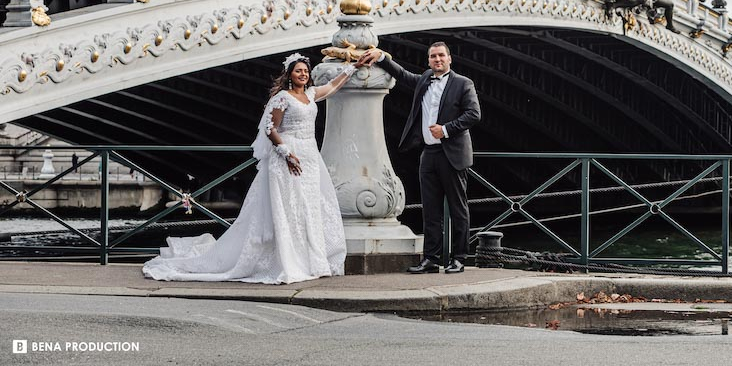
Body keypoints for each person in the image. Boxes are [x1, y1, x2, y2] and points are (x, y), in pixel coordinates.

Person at [143, 53, 353, 284]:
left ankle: (309, 260)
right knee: (286, 208)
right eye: (298, 71)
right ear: (289, 75)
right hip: (288, 156)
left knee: (307, 207)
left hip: (310, 157)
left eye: (305, 71)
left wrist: (353, 67)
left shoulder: (310, 95)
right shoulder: (283, 98)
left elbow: (332, 87)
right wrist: (285, 153)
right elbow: (270, 128)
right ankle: (286, 261)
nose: (303, 74)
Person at [358, 42, 481, 274]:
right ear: (428, 60)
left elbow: (474, 114)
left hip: (452, 153)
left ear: (449, 58)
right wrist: (381, 57)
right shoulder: (425, 79)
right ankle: (431, 259)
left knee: (458, 209)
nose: (437, 60)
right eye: (433, 56)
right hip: (429, 154)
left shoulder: (463, 83)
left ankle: (460, 258)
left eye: (441, 56)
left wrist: (445, 129)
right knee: (430, 210)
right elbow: (402, 75)